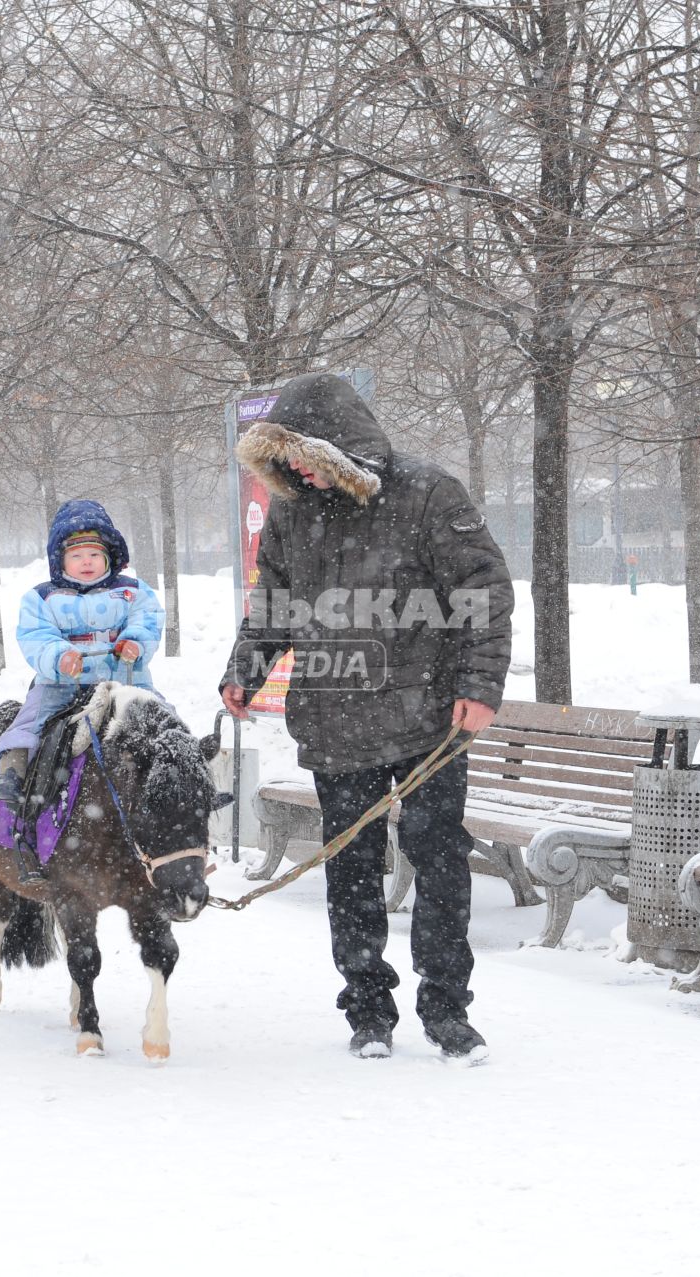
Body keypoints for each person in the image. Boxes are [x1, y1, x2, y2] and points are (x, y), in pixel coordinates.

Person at [219, 373, 514, 1063]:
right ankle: (367, 1009)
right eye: (279, 458)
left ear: (335, 446)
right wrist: (244, 671)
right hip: (334, 721)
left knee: (438, 861)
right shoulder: (293, 513)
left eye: (297, 453)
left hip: (427, 722)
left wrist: (479, 684)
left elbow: (484, 588)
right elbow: (274, 604)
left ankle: (446, 1009)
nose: (289, 471)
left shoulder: (428, 494)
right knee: (350, 870)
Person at [0, 499, 164, 883]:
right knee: (32, 721)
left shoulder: (133, 592)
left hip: (125, 682)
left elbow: (147, 621)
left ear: (109, 558)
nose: (86, 562)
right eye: (77, 555)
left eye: (94, 554)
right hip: (62, 686)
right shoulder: (42, 597)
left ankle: (180, 797)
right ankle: (15, 773)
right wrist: (58, 656)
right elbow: (35, 635)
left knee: (166, 729)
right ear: (60, 560)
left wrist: (135, 642)